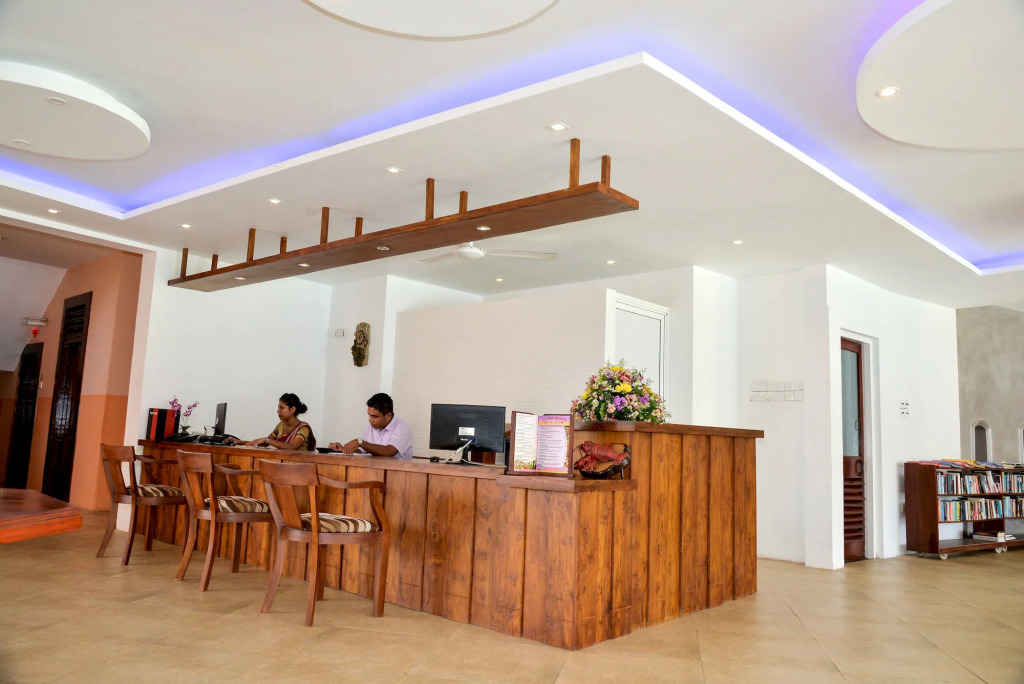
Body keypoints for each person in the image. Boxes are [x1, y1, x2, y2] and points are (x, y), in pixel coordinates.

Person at [328, 392, 412, 459]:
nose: (370, 420)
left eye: (374, 416)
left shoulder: (402, 428)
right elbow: (362, 452)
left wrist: (360, 442)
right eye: (369, 415)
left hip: (396, 473)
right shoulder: (372, 427)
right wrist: (343, 450)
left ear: (388, 416)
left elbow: (389, 452)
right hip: (374, 470)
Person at [228, 393, 316, 451]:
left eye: (282, 408)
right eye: (278, 407)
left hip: (298, 468)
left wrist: (267, 440)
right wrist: (238, 442)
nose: (278, 411)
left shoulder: (303, 428)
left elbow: (292, 447)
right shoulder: (281, 425)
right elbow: (262, 443)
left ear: (292, 409)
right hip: (282, 464)